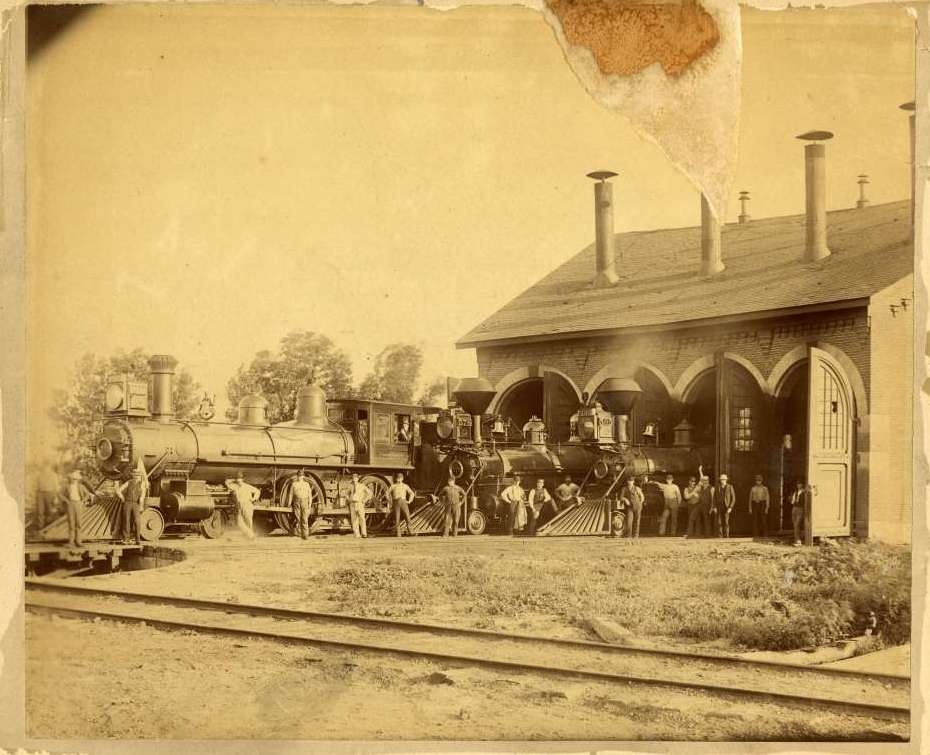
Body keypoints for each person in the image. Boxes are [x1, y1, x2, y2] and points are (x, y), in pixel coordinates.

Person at [58, 470, 95, 548]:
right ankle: (71, 542)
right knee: (71, 523)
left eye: (75, 479)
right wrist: (66, 501)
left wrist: (82, 501)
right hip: (70, 504)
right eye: (72, 478)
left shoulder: (81, 486)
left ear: (78, 479)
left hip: (78, 504)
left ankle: (78, 541)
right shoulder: (66, 486)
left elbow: (87, 495)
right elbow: (60, 494)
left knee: (78, 523)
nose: (73, 480)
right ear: (70, 478)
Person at [116, 467, 148, 544]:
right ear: (132, 475)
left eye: (137, 475)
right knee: (126, 521)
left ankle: (137, 539)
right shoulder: (128, 482)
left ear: (139, 476)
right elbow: (118, 491)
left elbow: (142, 496)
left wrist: (141, 505)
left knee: (137, 521)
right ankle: (126, 539)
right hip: (127, 503)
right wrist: (123, 498)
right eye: (134, 475)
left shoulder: (142, 484)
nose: (136, 476)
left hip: (136, 504)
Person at [225, 471, 260, 539]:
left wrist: (253, 499)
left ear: (243, 479)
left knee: (248, 521)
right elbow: (226, 482)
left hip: (247, 504)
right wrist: (233, 479)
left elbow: (257, 491)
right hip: (239, 505)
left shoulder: (247, 486)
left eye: (240, 478)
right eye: (237, 478)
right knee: (239, 522)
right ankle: (250, 535)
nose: (238, 480)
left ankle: (250, 536)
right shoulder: (235, 486)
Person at [389, 471, 416, 537]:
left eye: (400, 478)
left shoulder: (405, 486)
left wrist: (409, 501)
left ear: (402, 479)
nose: (399, 479)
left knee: (407, 517)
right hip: (396, 502)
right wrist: (390, 501)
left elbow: (412, 493)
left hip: (404, 502)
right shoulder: (393, 486)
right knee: (397, 518)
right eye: (398, 478)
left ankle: (411, 532)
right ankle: (398, 534)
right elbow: (387, 494)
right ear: (396, 479)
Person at [288, 469, 314, 540]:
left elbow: (310, 495)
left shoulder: (307, 484)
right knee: (298, 518)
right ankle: (300, 533)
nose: (300, 477)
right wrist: (289, 503)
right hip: (296, 502)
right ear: (297, 476)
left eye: (301, 476)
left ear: (303, 477)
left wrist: (310, 504)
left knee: (304, 518)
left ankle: (305, 535)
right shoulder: (294, 484)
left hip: (304, 501)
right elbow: (291, 494)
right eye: (299, 476)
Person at [36, 462, 60, 530]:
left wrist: (56, 497)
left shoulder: (54, 475)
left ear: (50, 467)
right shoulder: (40, 475)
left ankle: (50, 527)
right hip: (40, 494)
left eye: (47, 466)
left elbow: (56, 487)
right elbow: (37, 485)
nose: (46, 468)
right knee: (40, 511)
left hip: (50, 493)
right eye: (45, 466)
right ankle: (40, 527)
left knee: (50, 511)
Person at [347, 472, 373, 538]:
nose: (354, 479)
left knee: (362, 518)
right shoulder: (350, 486)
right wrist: (348, 499)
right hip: (352, 504)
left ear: (358, 479)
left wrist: (365, 500)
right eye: (353, 478)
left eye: (355, 478)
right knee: (354, 519)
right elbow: (346, 494)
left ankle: (364, 533)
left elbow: (370, 493)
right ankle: (357, 534)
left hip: (360, 503)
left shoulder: (362, 485)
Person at [789, 479, 811, 546]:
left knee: (797, 524)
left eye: (800, 484)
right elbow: (792, 502)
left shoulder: (805, 492)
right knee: (795, 525)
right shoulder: (795, 492)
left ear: (803, 484)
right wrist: (791, 499)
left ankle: (798, 541)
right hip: (794, 509)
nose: (799, 485)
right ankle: (797, 540)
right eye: (798, 484)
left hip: (801, 509)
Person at [714, 473, 736, 538]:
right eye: (721, 480)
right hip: (719, 507)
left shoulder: (730, 487)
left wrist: (730, 507)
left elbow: (733, 498)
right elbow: (714, 498)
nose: (722, 481)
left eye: (724, 480)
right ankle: (720, 536)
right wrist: (714, 507)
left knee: (726, 522)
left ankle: (727, 536)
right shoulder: (717, 487)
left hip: (726, 507)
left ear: (726, 480)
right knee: (719, 522)